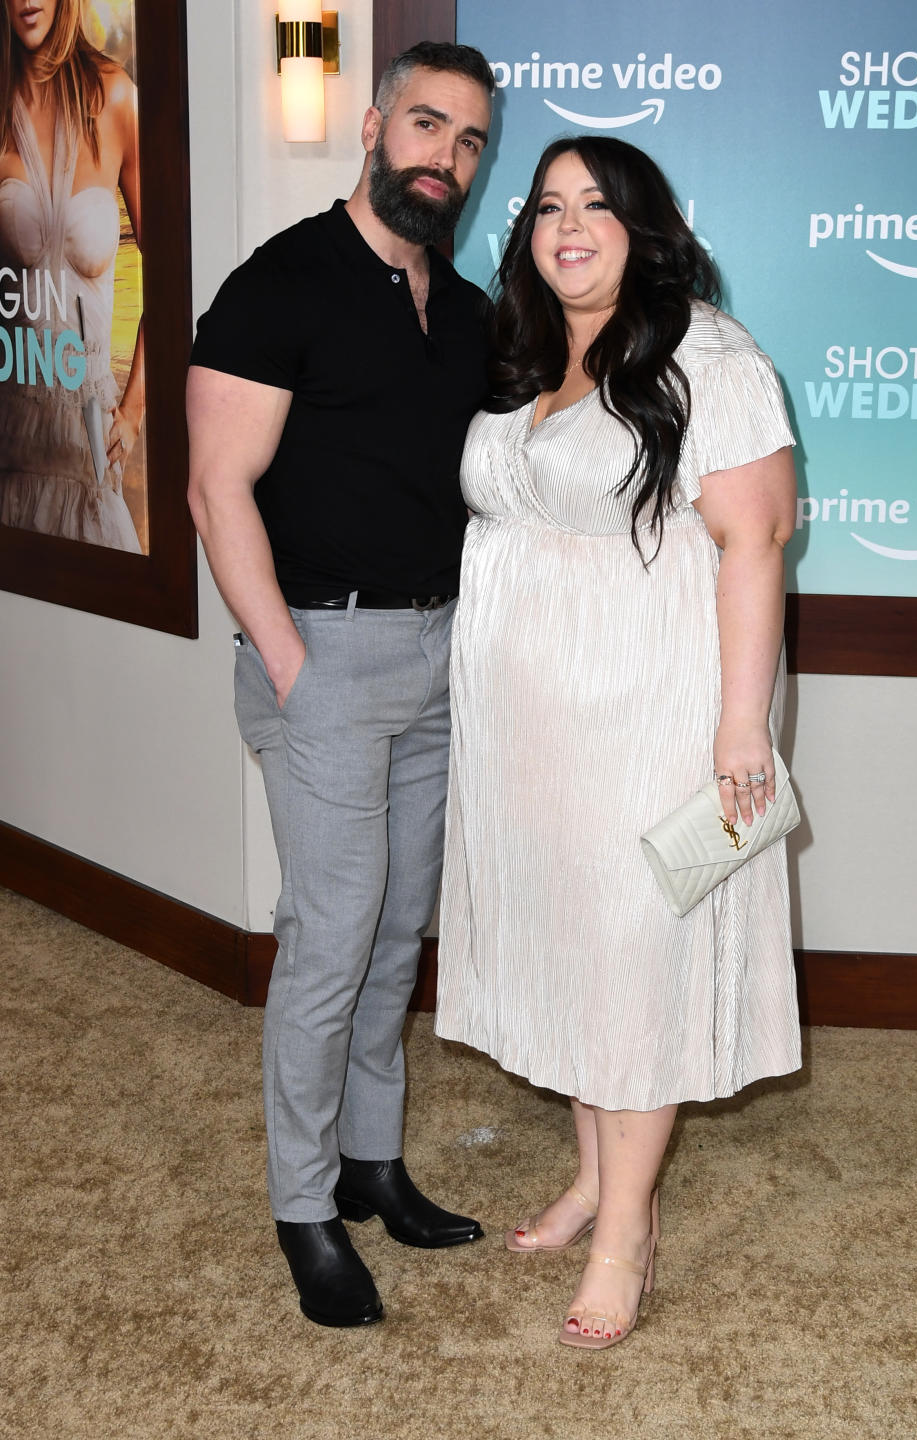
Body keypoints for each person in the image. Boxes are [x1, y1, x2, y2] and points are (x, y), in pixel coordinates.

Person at [436, 136, 802, 1350]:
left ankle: (624, 1234)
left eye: (596, 205)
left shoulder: (710, 354)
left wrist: (740, 729)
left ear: (646, 228)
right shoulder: (528, 347)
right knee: (573, 949)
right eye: (548, 206)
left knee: (632, 966)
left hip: (648, 718)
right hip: (524, 730)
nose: (567, 225)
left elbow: (753, 544)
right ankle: (596, 1174)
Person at [186, 42, 496, 1329]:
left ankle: (373, 1160)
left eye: (471, 141)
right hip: (320, 651)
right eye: (427, 126)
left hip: (435, 656)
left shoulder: (468, 311)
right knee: (327, 943)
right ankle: (305, 1206)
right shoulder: (281, 282)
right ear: (373, 126)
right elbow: (217, 488)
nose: (446, 158)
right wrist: (290, 661)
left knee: (395, 933)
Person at [0, 0, 143, 550]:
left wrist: (131, 413)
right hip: (9, 444)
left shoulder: (116, 97)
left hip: (87, 443)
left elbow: (172, 278)